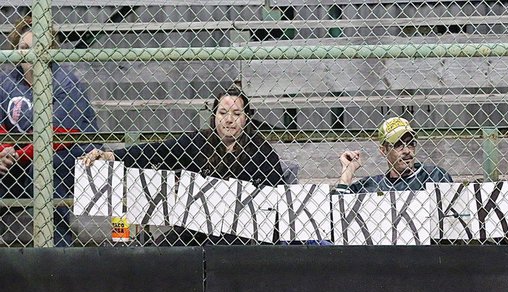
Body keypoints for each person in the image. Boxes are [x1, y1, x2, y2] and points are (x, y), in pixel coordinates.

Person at [81, 84, 284, 245]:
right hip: (197, 228)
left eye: (237, 114)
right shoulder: (200, 142)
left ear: (246, 118)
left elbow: (275, 203)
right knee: (162, 250)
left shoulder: (261, 152)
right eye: (223, 113)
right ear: (214, 115)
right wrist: (110, 156)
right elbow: (157, 151)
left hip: (241, 233)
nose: (229, 120)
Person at [0, 15, 99, 246]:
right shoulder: (7, 82)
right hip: (22, 159)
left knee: (45, 168)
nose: (29, 54)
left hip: (71, 156)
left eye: (36, 48)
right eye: (23, 48)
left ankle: (58, 250)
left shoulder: (65, 81)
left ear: (50, 50)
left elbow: (60, 135)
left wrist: (17, 155)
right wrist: (3, 152)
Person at [334, 116, 452, 194]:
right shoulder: (371, 187)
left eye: (410, 143)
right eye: (398, 145)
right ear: (383, 150)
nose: (407, 150)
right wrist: (347, 172)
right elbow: (338, 211)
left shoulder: (434, 176)